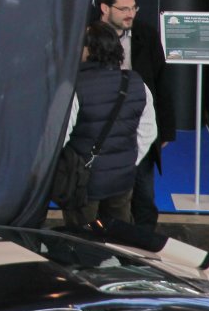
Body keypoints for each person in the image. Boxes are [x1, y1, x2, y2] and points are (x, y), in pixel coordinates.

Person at [97, 0, 175, 231]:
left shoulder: (146, 35)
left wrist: (166, 129)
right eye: (124, 9)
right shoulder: (88, 36)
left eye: (133, 8)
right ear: (105, 8)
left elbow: (161, 82)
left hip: (140, 128)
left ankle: (145, 243)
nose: (130, 14)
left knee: (143, 196)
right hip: (102, 130)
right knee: (103, 199)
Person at [63, 21, 156, 228]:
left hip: (83, 183)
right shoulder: (137, 83)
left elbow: (60, 136)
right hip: (122, 181)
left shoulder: (74, 87)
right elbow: (148, 132)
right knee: (120, 236)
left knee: (81, 238)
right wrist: (127, 162)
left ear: (89, 50)